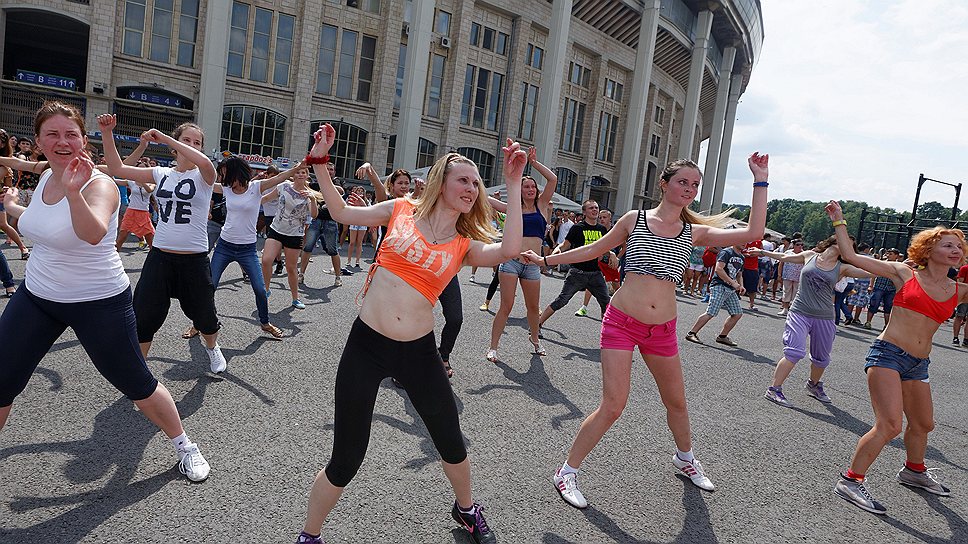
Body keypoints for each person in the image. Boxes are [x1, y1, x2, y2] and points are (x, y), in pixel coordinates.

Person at [293, 125, 525, 544]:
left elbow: (508, 251)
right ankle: (310, 535)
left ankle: (467, 509)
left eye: (476, 183)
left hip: (418, 353)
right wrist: (321, 161)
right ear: (441, 180)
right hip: (366, 345)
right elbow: (343, 213)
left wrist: (510, 183)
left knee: (451, 441)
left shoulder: (464, 243)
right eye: (464, 179)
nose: (471, 188)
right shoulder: (400, 209)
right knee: (346, 457)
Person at [521, 153, 770, 508]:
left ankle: (685, 459)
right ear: (664, 183)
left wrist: (760, 180)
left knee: (677, 402)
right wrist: (546, 260)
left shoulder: (693, 232)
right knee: (613, 405)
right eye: (683, 181)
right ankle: (567, 472)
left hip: (663, 330)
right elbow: (593, 249)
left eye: (695, 185)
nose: (689, 189)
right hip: (622, 323)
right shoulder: (633, 220)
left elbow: (754, 232)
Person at [0, 101, 209, 483]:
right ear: (39, 141)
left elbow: (93, 233)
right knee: (1, 378)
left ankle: (184, 445)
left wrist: (74, 192)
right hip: (38, 295)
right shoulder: (45, 174)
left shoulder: (99, 184)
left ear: (82, 140)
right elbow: (32, 197)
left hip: (98, 301)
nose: (62, 142)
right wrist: (14, 204)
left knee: (136, 382)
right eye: (53, 134)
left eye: (71, 134)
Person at [825, 202, 965, 514]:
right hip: (888, 354)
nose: (955, 249)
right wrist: (839, 221)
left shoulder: (959, 288)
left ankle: (914, 471)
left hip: (919, 363)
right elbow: (850, 255)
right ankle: (850, 480)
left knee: (923, 423)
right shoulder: (905, 273)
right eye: (947, 245)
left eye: (959, 246)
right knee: (889, 425)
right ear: (928, 250)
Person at [98, 114, 227, 373]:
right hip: (160, 257)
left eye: (197, 142)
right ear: (175, 145)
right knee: (144, 316)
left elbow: (202, 161)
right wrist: (107, 132)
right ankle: (139, 370)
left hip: (194, 259)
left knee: (205, 318)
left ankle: (212, 349)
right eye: (186, 140)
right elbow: (117, 169)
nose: (192, 145)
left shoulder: (205, 175)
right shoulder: (161, 173)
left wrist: (167, 137)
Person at [760, 235, 873, 407]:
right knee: (794, 351)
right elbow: (783, 257)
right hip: (799, 311)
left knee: (821, 358)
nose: (847, 247)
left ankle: (813, 385)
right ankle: (774, 389)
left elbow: (871, 271)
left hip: (825, 316)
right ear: (835, 241)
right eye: (845, 243)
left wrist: (899, 267)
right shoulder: (809, 256)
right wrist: (761, 252)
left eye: (850, 246)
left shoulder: (843, 267)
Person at [206, 156, 304, 338]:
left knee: (260, 289)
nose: (222, 177)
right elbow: (206, 182)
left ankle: (265, 323)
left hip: (247, 249)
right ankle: (201, 323)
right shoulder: (226, 189)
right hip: (224, 246)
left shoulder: (256, 188)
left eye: (225, 174)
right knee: (209, 286)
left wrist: (297, 168)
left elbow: (278, 179)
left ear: (236, 172)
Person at [486, 147, 557, 362]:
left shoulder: (542, 206)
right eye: (526, 186)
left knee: (533, 307)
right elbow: (487, 200)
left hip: (533, 265)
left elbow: (552, 180)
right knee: (506, 306)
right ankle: (493, 347)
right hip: (512, 262)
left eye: (532, 186)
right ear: (520, 189)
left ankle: (535, 340)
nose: (530, 189)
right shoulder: (512, 207)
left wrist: (533, 164)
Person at [536, 200, 611, 331]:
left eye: (596, 208)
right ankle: (537, 324)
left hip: (595, 273)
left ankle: (607, 335)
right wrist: (556, 252)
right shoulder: (578, 228)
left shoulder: (601, 229)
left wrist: (612, 255)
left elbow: (605, 248)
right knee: (562, 301)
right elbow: (565, 245)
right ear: (584, 212)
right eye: (591, 208)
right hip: (577, 273)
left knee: (606, 304)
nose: (595, 210)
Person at [260, 165, 319, 310]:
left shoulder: (310, 194)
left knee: (291, 268)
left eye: (303, 172)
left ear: (307, 175)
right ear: (293, 174)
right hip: (276, 229)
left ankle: (295, 298)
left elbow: (315, 215)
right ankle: (265, 290)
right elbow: (266, 198)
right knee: (266, 260)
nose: (300, 174)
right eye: (297, 172)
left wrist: (312, 199)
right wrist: (246, 203)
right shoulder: (284, 186)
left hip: (295, 234)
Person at [684, 242, 747, 346]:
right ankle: (691, 333)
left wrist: (741, 285)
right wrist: (733, 283)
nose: (745, 243)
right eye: (742, 240)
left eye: (747, 241)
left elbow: (739, 274)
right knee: (711, 312)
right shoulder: (726, 252)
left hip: (730, 288)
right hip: (719, 285)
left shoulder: (741, 257)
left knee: (737, 313)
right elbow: (719, 269)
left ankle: (722, 336)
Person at [301, 161, 346, 287]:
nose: (329, 171)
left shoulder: (336, 183)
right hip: (316, 220)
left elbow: (341, 190)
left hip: (331, 221)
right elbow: (304, 184)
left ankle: (338, 276)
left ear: (334, 172)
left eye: (331, 169)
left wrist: (327, 186)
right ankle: (301, 274)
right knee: (307, 247)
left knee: (333, 250)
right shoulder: (315, 185)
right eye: (327, 169)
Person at [0, 130, 30, 259]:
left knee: (3, 225)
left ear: (2, 144)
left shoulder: (4, 166)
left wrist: (7, 190)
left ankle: (22, 247)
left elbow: (9, 187)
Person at [864, 248, 900, 329]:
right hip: (879, 287)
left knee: (888, 307)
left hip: (891, 289)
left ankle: (886, 326)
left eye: (891, 254)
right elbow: (873, 274)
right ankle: (868, 322)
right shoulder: (882, 263)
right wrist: (871, 285)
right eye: (888, 253)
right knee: (873, 304)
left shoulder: (899, 266)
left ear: (896, 256)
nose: (888, 255)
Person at [777, 239, 805, 316]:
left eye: (801, 245)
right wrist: (779, 275)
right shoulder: (788, 252)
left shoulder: (804, 254)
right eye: (798, 245)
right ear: (793, 245)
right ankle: (785, 308)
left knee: (796, 293)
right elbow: (781, 263)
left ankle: (793, 309)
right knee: (786, 292)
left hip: (798, 277)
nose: (800, 246)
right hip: (787, 275)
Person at [951, 262, 968, 345]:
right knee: (959, 316)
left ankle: (966, 339)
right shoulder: (964, 268)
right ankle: (955, 337)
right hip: (964, 296)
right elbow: (960, 283)